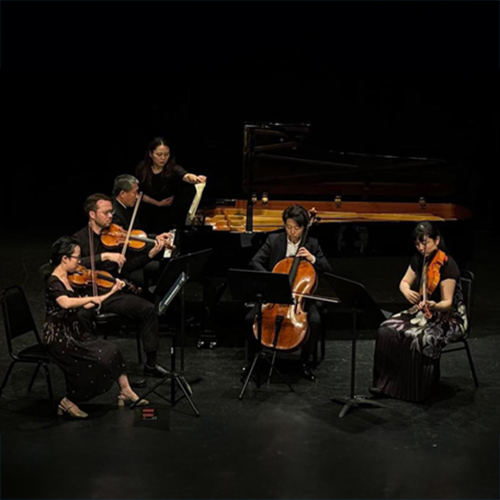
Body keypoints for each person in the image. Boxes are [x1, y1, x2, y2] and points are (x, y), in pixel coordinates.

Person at [41, 236, 148, 419]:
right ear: (64, 259)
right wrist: (90, 298)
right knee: (98, 361)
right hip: (59, 337)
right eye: (76, 257)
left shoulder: (69, 277)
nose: (79, 262)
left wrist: (112, 291)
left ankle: (126, 391)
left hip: (74, 332)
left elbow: (88, 305)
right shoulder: (53, 282)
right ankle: (68, 401)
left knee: (112, 350)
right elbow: (66, 303)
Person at [73, 193, 168, 378]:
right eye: (106, 212)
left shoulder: (114, 235)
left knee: (148, 309)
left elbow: (127, 267)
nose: (110, 216)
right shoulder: (79, 239)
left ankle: (151, 363)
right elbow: (71, 264)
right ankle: (90, 361)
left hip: (113, 292)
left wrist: (149, 255)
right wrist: (103, 256)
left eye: (111, 212)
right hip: (90, 294)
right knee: (81, 314)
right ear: (92, 215)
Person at [371, 222, 468, 402]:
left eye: (425, 243)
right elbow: (404, 282)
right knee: (386, 328)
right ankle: (388, 384)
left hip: (448, 317)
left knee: (421, 337)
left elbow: (447, 303)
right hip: (423, 311)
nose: (421, 248)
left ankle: (416, 389)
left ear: (437, 240)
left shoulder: (447, 264)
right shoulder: (418, 259)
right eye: (417, 244)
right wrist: (407, 291)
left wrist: (433, 305)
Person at [248, 205, 332, 381]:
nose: (292, 232)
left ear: (303, 227)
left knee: (314, 321)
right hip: (276, 294)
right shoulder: (274, 240)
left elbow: (328, 269)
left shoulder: (312, 243)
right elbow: (255, 261)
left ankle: (304, 363)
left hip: (301, 296)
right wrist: (272, 279)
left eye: (297, 228)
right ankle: (253, 362)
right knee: (250, 319)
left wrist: (313, 259)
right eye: (288, 227)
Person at [112, 174, 175, 290]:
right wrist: (150, 253)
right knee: (165, 266)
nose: (137, 197)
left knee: (166, 258)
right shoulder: (115, 217)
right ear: (122, 194)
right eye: (134, 192)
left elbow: (136, 235)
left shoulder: (128, 208)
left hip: (137, 256)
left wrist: (156, 237)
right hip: (130, 264)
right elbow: (131, 248)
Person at [135, 137, 207, 233]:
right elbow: (138, 193)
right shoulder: (142, 168)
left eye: (166, 154)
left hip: (167, 215)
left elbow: (186, 176)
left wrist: (196, 179)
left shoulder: (172, 168)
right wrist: (158, 203)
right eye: (159, 154)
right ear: (150, 154)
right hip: (146, 212)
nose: (163, 158)